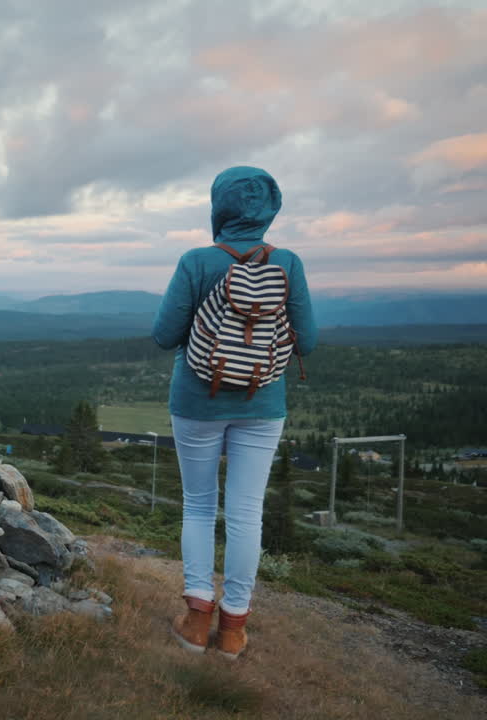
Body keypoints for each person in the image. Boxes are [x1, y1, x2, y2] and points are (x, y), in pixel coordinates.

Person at [150, 166, 318, 659]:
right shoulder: (287, 262)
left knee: (199, 505)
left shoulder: (196, 261)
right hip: (263, 404)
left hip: (196, 400)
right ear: (271, 208)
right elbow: (305, 341)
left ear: (218, 206)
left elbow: (164, 336)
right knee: (246, 511)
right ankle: (234, 630)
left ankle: (196, 621)